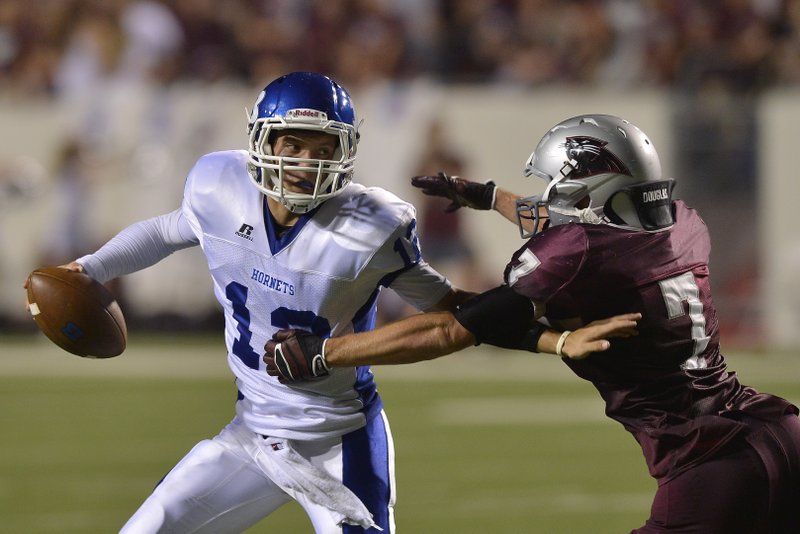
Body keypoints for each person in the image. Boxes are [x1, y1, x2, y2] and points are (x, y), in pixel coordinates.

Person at [30, 73, 634, 534]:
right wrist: (86, 271)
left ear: (343, 151)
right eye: (292, 142)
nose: (304, 161)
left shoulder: (371, 225)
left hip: (337, 436)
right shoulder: (219, 186)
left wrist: (549, 338)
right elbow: (165, 231)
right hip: (251, 434)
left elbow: (450, 311)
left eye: (321, 146)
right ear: (261, 142)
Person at [264, 114, 800, 533]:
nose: (550, 196)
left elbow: (453, 327)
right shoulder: (684, 221)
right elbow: (585, 220)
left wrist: (324, 353)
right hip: (779, 430)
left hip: (709, 465)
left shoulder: (575, 253)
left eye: (558, 184)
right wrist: (485, 196)